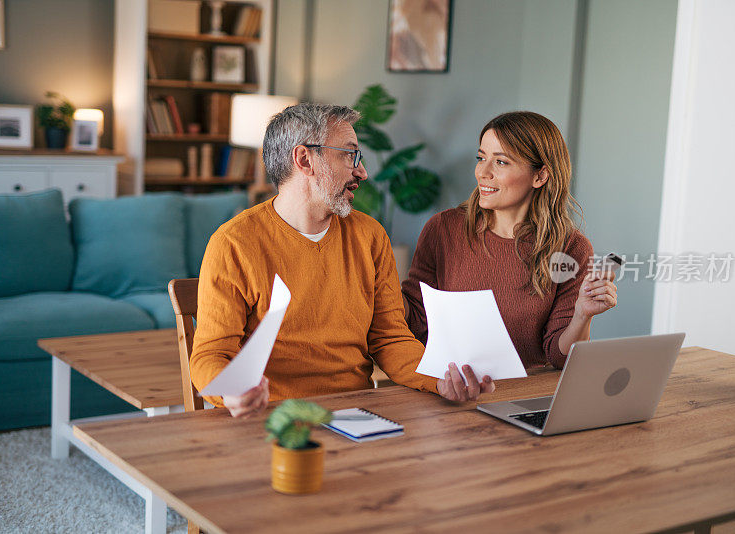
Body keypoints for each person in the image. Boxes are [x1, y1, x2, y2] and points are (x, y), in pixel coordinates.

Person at [190, 102, 494, 418]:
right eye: (349, 155)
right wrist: (232, 391)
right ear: (304, 159)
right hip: (273, 418)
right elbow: (211, 356)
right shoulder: (234, 243)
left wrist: (441, 380)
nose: (362, 171)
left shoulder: (370, 236)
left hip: (357, 415)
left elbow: (391, 339)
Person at [402, 111, 617, 371]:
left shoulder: (571, 248)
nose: (483, 172)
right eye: (481, 158)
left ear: (540, 176)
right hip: (449, 388)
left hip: (523, 394)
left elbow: (560, 357)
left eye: (501, 162)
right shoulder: (443, 229)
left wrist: (583, 315)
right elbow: (415, 320)